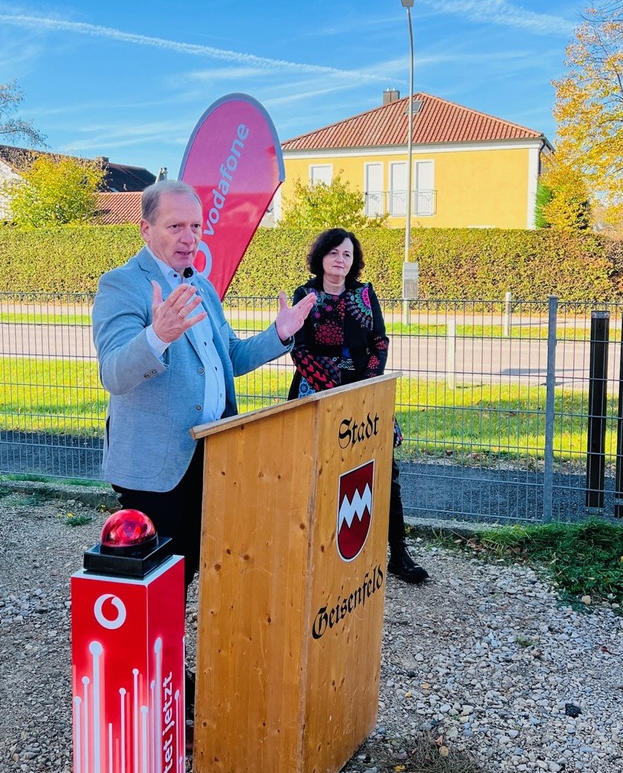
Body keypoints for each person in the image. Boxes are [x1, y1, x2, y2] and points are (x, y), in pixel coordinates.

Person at [92, 180, 316, 727]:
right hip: (157, 470)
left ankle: (171, 673)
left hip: (214, 459)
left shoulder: (204, 288)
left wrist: (280, 335)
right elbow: (115, 373)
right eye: (176, 226)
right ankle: (150, 689)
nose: (189, 237)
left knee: (191, 573)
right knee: (158, 582)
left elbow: (231, 358)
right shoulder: (121, 286)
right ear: (145, 228)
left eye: (196, 226)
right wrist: (157, 336)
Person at [288, 227, 429, 585]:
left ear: (354, 261)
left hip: (366, 390)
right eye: (334, 253)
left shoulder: (365, 294)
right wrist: (332, 387)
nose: (340, 260)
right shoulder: (304, 294)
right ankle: (312, 552)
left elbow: (379, 340)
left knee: (383, 471)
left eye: (347, 255)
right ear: (321, 257)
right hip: (317, 391)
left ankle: (398, 553)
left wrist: (367, 385)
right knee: (315, 471)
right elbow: (298, 347)